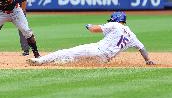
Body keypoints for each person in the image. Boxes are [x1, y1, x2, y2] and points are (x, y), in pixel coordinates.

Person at [27, 11, 155, 66]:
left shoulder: (114, 24)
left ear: (116, 19)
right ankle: (54, 62)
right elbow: (142, 49)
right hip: (103, 60)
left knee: (66, 52)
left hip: (96, 50)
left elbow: (94, 29)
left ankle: (41, 61)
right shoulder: (132, 35)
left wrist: (88, 25)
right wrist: (148, 61)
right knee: (74, 60)